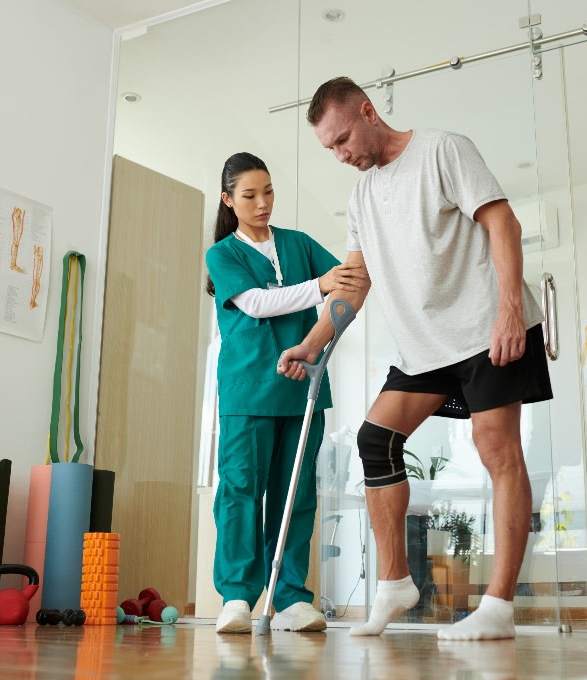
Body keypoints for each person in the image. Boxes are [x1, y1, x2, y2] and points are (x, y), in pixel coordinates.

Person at [277, 77, 552, 641]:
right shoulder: (360, 198)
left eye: (343, 138)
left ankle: (498, 608)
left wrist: (507, 310)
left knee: (496, 449)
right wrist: (310, 343)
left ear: (369, 111)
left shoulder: (443, 150)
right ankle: (394, 583)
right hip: (425, 347)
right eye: (329, 148)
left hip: (483, 329)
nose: (341, 154)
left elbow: (503, 222)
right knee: (375, 439)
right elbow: (354, 284)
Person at [205, 151, 367, 634]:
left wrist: (319, 340)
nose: (262, 203)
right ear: (228, 200)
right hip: (247, 391)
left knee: (295, 496)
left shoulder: (298, 243)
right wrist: (319, 285)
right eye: (250, 195)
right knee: (239, 493)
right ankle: (237, 596)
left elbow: (352, 284)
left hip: (303, 390)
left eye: (268, 191)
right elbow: (255, 303)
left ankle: (292, 597)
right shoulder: (224, 254)